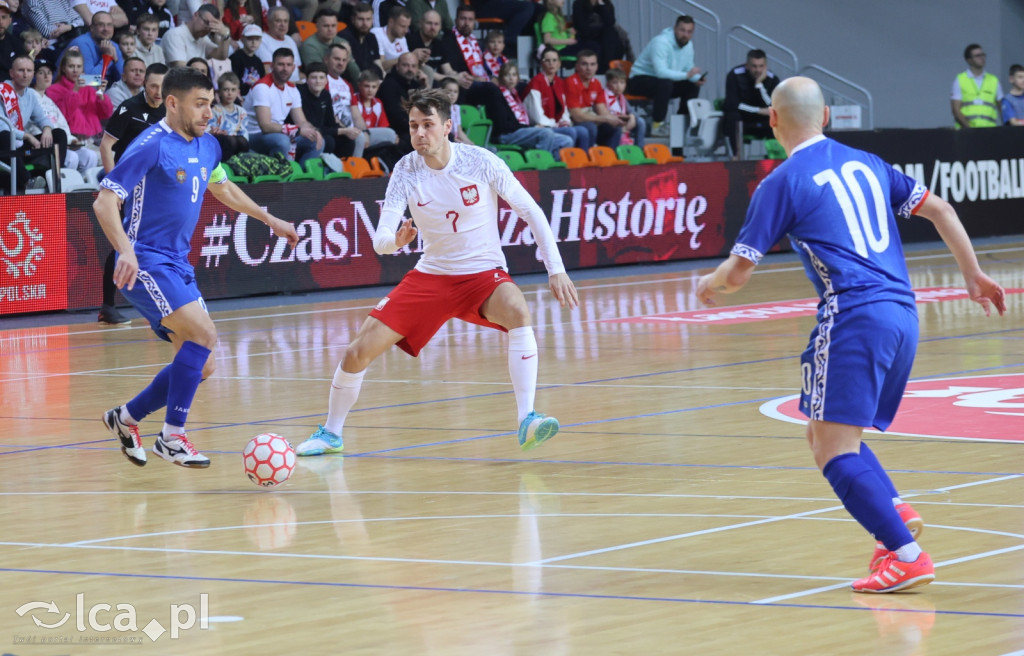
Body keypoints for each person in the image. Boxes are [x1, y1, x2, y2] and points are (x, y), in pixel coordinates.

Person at [696, 77, 1006, 593]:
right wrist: (972, 274)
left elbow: (737, 273)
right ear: (829, 117)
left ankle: (906, 555)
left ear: (772, 120)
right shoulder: (868, 162)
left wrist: (710, 284)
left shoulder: (782, 181)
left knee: (834, 449)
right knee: (821, 433)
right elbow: (943, 210)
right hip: (904, 315)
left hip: (854, 314)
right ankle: (892, 511)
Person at [295, 87, 578, 457]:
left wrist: (555, 269)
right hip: (431, 276)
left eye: (427, 125)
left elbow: (531, 212)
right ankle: (331, 433)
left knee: (518, 311)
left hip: (482, 274)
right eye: (413, 126)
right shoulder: (406, 171)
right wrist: (395, 243)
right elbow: (382, 237)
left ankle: (527, 418)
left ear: (447, 126)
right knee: (357, 351)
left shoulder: (481, 162)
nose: (419, 134)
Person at [96, 66, 298, 468]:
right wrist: (126, 251)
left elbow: (221, 187)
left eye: (210, 103)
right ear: (172, 103)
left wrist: (267, 218)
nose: (210, 112)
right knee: (204, 334)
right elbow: (105, 200)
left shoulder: (208, 146)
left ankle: (126, 417)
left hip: (177, 262)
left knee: (203, 363)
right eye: (200, 104)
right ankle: (172, 437)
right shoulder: (150, 145)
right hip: (146, 260)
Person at [97, 62, 168, 324]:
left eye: (162, 86)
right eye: (152, 86)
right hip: (128, 186)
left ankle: (161, 301)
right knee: (122, 244)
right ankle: (107, 305)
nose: (157, 92)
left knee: (153, 243)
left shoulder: (167, 110)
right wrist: (116, 187)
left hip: (154, 188)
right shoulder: (129, 108)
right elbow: (106, 147)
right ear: (143, 84)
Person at [628, 14, 705, 137]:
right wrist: (687, 75)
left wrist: (697, 78)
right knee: (665, 83)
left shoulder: (688, 45)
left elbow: (688, 68)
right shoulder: (661, 42)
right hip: (638, 80)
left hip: (662, 82)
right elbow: (661, 72)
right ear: (675, 29)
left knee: (692, 85)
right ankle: (657, 125)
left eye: (689, 32)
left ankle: (682, 123)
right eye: (682, 30)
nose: (685, 35)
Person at [244, 48, 324, 163]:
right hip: (254, 135)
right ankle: (278, 175)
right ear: (272, 66)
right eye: (281, 64)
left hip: (278, 133)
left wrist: (315, 131)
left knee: (316, 140)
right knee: (283, 141)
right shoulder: (262, 87)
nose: (285, 69)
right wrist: (296, 130)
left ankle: (301, 177)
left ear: (293, 67)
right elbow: (265, 126)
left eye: (288, 65)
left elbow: (301, 121)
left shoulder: (292, 89)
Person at [30, 60, 99, 175]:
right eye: (41, 73)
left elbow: (62, 125)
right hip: (43, 144)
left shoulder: (49, 100)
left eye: (50, 72)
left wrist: (71, 140)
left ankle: (82, 189)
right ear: (34, 76)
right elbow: (32, 127)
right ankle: (61, 190)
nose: (47, 76)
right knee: (71, 157)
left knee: (90, 156)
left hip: (63, 143)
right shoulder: (30, 96)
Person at [493, 62, 572, 154]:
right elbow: (505, 126)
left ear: (518, 78)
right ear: (501, 78)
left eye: (514, 75)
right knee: (546, 133)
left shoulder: (516, 95)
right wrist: (533, 127)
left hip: (522, 130)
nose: (511, 78)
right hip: (508, 134)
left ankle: (550, 166)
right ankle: (540, 164)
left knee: (566, 141)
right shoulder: (497, 95)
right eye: (507, 75)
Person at [525, 47, 591, 149]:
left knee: (583, 131)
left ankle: (582, 162)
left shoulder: (559, 82)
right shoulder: (536, 82)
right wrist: (556, 124)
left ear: (559, 64)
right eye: (547, 60)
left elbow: (564, 109)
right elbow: (537, 117)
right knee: (571, 131)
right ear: (541, 63)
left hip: (556, 125)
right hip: (543, 127)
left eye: (554, 60)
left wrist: (566, 122)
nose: (551, 63)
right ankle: (567, 161)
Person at [47, 49, 114, 144]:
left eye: (79, 67)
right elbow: (62, 117)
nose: (75, 70)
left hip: (94, 137)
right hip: (71, 138)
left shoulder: (89, 88)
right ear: (63, 68)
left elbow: (106, 114)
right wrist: (75, 90)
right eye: (71, 66)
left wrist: (101, 95)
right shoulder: (53, 90)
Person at [723, 49, 779, 156]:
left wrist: (759, 85)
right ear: (747, 65)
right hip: (743, 118)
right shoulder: (735, 75)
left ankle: (777, 158)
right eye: (754, 66)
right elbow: (732, 104)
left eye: (761, 66)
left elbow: (772, 105)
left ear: (765, 66)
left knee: (780, 118)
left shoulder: (772, 79)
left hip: (763, 121)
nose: (758, 70)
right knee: (732, 116)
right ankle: (736, 156)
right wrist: (758, 111)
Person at [565, 50, 622, 148]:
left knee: (614, 127)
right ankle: (587, 158)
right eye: (584, 64)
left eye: (592, 64)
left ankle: (609, 158)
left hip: (589, 118)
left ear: (597, 67)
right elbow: (577, 117)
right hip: (572, 122)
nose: (589, 68)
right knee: (591, 127)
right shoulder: (569, 83)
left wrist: (615, 119)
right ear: (577, 66)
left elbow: (602, 110)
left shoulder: (596, 83)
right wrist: (604, 119)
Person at [324, 43, 370, 157]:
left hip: (352, 129)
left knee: (390, 134)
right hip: (337, 129)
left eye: (344, 60)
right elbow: (328, 113)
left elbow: (356, 114)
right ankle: (355, 172)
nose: (341, 63)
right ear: (326, 59)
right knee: (359, 138)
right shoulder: (322, 80)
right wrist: (348, 130)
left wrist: (365, 131)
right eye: (337, 59)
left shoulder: (347, 84)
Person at [378, 50, 425, 152]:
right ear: (397, 66)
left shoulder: (415, 85)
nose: (410, 69)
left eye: (413, 66)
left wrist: (425, 87)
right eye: (406, 65)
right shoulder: (389, 85)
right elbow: (395, 119)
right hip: (397, 132)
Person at [161, 4, 231, 69]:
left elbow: (221, 56)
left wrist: (225, 35)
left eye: (212, 25)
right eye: (206, 22)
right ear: (196, 15)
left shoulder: (203, 39)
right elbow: (182, 69)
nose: (207, 27)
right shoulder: (175, 35)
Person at [951, 44, 1003, 129]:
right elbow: (956, 110)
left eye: (983, 55)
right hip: (966, 133)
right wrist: (969, 129)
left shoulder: (994, 80)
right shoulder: (960, 80)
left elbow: (1002, 108)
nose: (982, 58)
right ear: (969, 60)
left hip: (989, 132)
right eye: (977, 56)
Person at [66, 11, 125, 84]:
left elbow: (124, 79)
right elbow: (87, 81)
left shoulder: (114, 46)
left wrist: (116, 61)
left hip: (106, 91)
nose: (106, 29)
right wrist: (107, 57)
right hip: (72, 90)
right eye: (101, 25)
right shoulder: (81, 43)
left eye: (109, 25)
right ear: (92, 28)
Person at [301, 8, 357, 83]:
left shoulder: (342, 42)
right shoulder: (309, 45)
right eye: (326, 26)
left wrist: (349, 57)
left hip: (342, 82)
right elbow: (318, 74)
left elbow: (356, 76)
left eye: (333, 26)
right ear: (317, 26)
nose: (330, 29)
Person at [208, 71, 249, 159]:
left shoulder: (242, 111)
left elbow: (244, 131)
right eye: (226, 89)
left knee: (243, 141)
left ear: (238, 92)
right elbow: (212, 130)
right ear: (219, 92)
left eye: (233, 90)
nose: (229, 93)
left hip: (238, 141)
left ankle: (242, 163)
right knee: (231, 140)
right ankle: (225, 163)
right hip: (221, 142)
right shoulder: (215, 110)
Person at [355, 67, 399, 149]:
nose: (370, 90)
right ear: (359, 86)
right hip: (357, 136)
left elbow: (383, 127)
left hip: (372, 138)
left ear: (378, 88)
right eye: (366, 86)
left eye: (374, 87)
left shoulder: (378, 103)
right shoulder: (353, 100)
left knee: (393, 136)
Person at [338, 2, 384, 79]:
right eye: (361, 19)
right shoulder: (344, 37)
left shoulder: (371, 37)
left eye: (368, 19)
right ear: (353, 19)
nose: (365, 23)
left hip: (372, 81)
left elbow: (378, 63)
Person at [256, 6, 302, 82]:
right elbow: (268, 72)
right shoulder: (262, 40)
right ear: (269, 22)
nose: (282, 25)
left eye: (285, 21)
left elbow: (298, 71)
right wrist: (292, 85)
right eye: (278, 21)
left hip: (295, 86)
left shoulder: (290, 40)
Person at [603, 67, 642, 147]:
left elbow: (632, 111)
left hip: (622, 121)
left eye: (622, 82)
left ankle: (639, 149)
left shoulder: (622, 97)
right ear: (608, 84)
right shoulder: (604, 95)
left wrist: (631, 117)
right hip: (609, 123)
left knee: (641, 122)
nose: (619, 86)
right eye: (615, 82)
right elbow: (605, 115)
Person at [370, 5, 411, 73]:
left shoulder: (402, 38)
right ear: (391, 22)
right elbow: (381, 65)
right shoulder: (377, 34)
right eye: (402, 26)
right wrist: (405, 59)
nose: (406, 31)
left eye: (407, 27)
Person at [230, 23, 266, 96]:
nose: (253, 42)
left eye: (257, 39)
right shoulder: (235, 58)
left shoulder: (258, 61)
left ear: (260, 41)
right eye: (250, 38)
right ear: (242, 39)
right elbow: (232, 81)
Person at [439, 76, 473, 145]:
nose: (452, 95)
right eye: (449, 91)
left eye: (455, 92)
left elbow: (459, 131)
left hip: (456, 140)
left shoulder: (456, 108)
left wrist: (471, 143)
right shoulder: (439, 109)